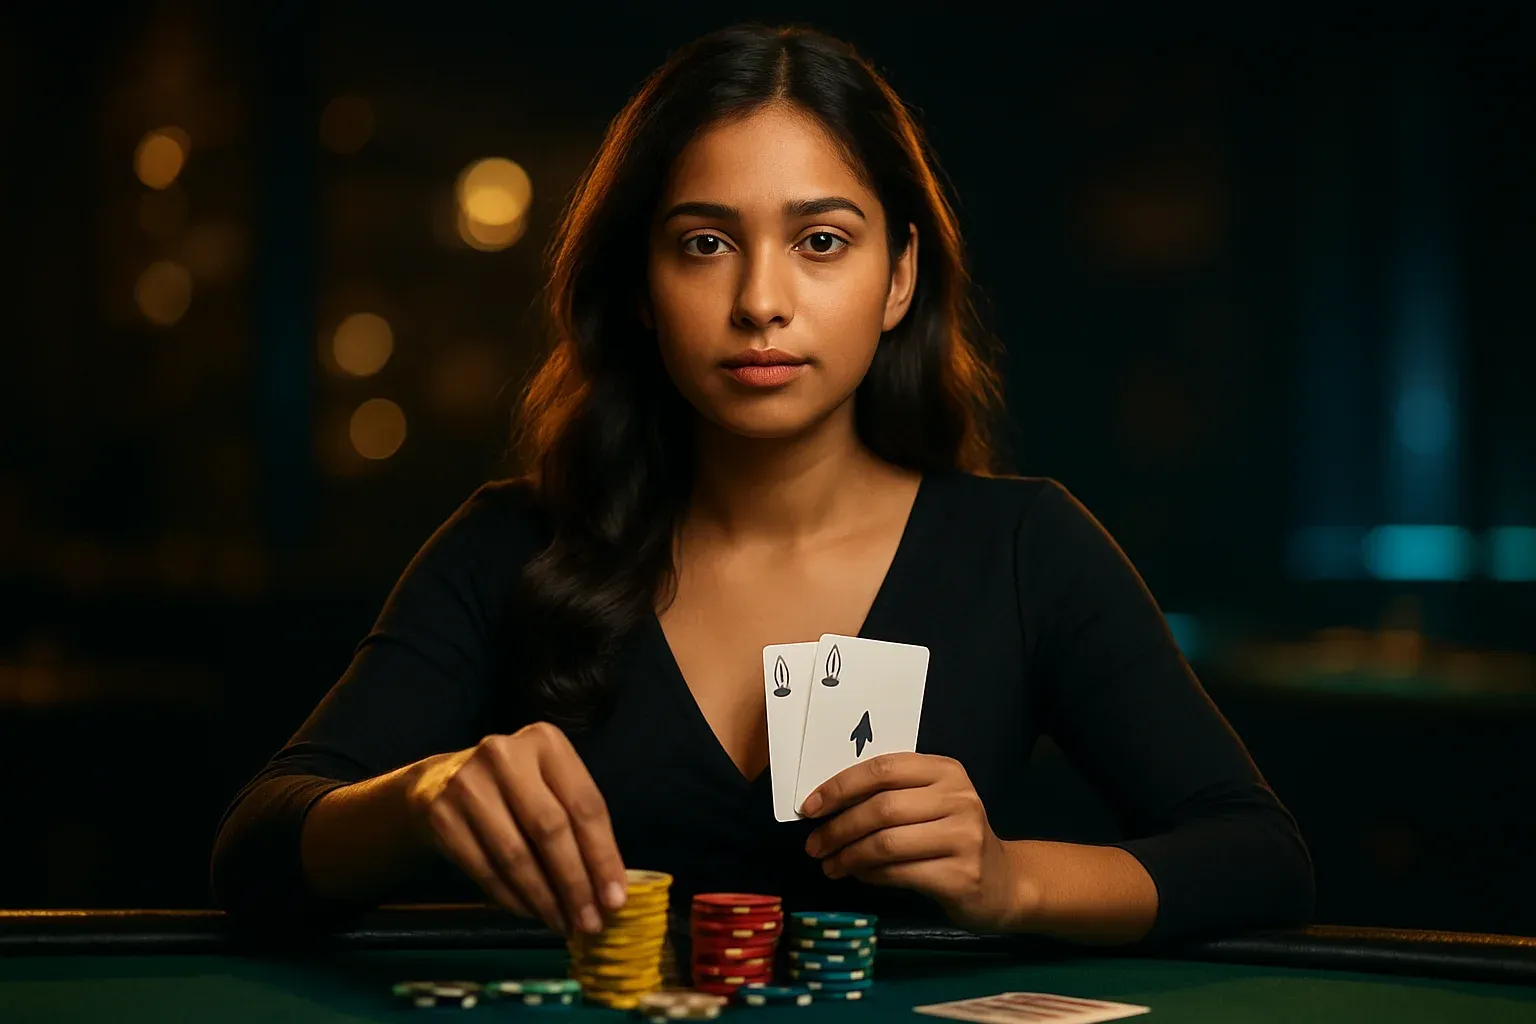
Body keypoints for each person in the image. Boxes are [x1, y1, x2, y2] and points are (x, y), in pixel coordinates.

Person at [212, 23, 1313, 946]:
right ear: (640, 286)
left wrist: (1007, 878)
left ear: (900, 278)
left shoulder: (1025, 547)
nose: (761, 301)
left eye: (822, 240)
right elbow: (256, 848)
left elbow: (1259, 856)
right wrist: (416, 800)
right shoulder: (509, 548)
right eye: (703, 244)